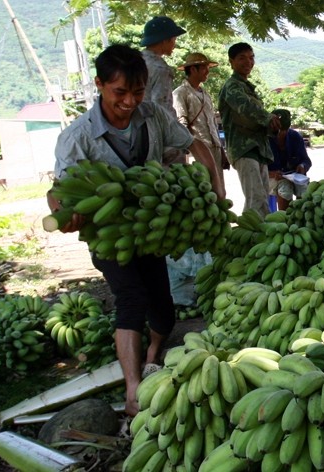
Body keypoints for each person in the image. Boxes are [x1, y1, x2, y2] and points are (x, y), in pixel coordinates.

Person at [47, 44, 224, 417]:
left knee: (162, 308)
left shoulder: (154, 116)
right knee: (130, 299)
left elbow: (193, 142)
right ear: (99, 84)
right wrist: (62, 210)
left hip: (151, 231)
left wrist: (215, 181)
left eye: (138, 92)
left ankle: (152, 353)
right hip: (113, 236)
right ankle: (133, 391)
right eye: (120, 93)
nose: (130, 101)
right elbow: (60, 192)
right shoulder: (78, 136)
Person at [218, 42, 281, 217]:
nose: (248, 62)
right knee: (257, 199)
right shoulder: (232, 86)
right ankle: (254, 239)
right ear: (231, 61)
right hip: (243, 149)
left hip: (257, 149)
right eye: (242, 58)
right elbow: (245, 107)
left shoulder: (246, 86)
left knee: (259, 198)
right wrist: (268, 117)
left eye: (251, 57)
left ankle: (250, 236)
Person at [141, 15, 187, 165]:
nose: (174, 44)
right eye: (173, 39)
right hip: (156, 136)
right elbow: (161, 107)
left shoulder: (136, 62)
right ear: (165, 40)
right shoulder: (160, 68)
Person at [173, 52, 228, 170]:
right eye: (204, 68)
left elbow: (213, 124)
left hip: (215, 148)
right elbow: (181, 123)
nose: (207, 72)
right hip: (197, 150)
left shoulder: (206, 94)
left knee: (218, 186)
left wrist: (222, 152)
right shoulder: (180, 93)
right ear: (193, 69)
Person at [268, 109, 312, 210]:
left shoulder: (295, 137)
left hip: (294, 177)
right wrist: (273, 174)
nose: (280, 134)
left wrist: (302, 166)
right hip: (271, 178)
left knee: (304, 188)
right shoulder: (264, 139)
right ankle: (285, 220)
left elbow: (306, 161)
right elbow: (259, 169)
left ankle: (302, 217)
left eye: (283, 130)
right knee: (285, 188)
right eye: (277, 130)